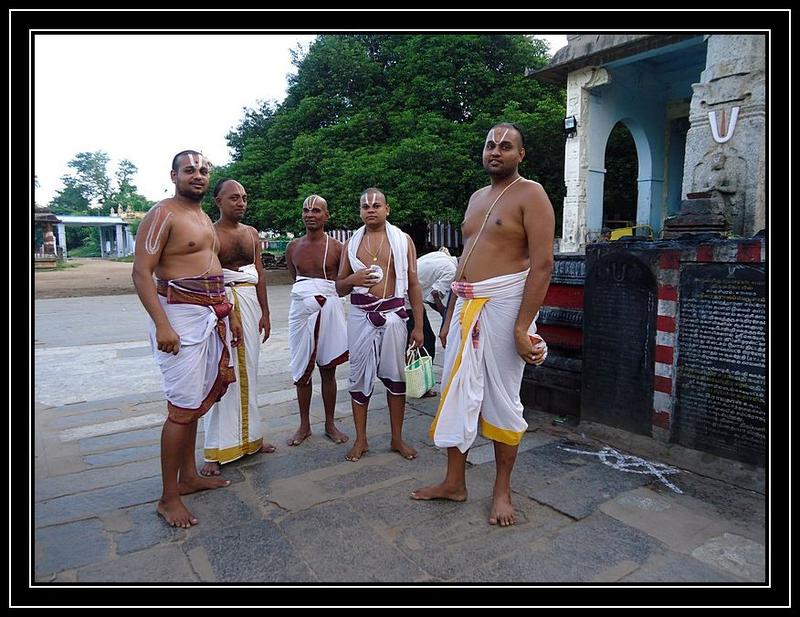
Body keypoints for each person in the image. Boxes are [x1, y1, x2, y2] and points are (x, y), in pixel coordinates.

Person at [411, 123, 554, 527]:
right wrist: (451, 312)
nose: (496, 151)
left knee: (503, 399)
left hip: (506, 306)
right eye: (490, 144)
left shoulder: (532, 194)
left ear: (520, 155)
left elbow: (543, 265)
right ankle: (454, 482)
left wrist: (522, 327)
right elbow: (464, 260)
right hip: (465, 306)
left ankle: (502, 490)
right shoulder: (476, 198)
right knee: (455, 391)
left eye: (506, 146)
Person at [132, 150, 240, 528]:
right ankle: (168, 497)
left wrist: (230, 315)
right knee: (180, 409)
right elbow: (142, 273)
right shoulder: (163, 213)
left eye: (204, 170)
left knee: (193, 404)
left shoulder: (201, 217)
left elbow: (212, 268)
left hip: (210, 314)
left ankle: (189, 476)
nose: (198, 175)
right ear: (174, 174)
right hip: (179, 318)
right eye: (190, 170)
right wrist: (162, 324)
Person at [336, 187, 425, 462]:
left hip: (394, 317)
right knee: (358, 378)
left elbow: (413, 284)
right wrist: (354, 280)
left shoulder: (402, 240)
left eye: (376, 205)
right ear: (360, 211)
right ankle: (361, 440)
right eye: (365, 206)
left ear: (387, 209)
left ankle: (397, 438)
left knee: (396, 379)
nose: (370, 209)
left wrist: (419, 327)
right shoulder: (351, 244)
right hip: (360, 317)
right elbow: (339, 287)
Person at [199, 178, 277, 477]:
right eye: (233, 198)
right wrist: (224, 310)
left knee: (251, 374)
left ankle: (251, 439)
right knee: (221, 375)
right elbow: (209, 275)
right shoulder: (209, 233)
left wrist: (265, 312)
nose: (241, 203)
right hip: (222, 307)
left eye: (244, 197)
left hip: (249, 302)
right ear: (218, 200)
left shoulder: (252, 234)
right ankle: (215, 450)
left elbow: (259, 272)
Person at [285, 194, 350, 447]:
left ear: (326, 215)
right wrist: (309, 299)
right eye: (306, 210)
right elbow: (297, 280)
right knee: (302, 369)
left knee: (327, 369)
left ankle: (330, 423)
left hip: (329, 309)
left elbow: (343, 283)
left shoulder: (337, 247)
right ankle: (304, 425)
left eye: (316, 210)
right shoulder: (293, 247)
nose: (310, 214)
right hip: (301, 310)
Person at [405, 247, 459, 397]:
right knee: (425, 341)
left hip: (407, 296)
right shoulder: (452, 271)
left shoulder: (441, 256)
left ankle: (413, 379)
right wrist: (447, 317)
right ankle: (421, 386)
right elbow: (435, 296)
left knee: (414, 341)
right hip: (408, 300)